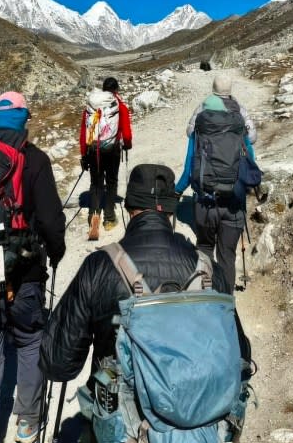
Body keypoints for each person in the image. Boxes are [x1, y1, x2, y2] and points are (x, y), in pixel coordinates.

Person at [40, 163, 250, 442]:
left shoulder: (99, 266)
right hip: (203, 424)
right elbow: (241, 353)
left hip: (126, 424)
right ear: (171, 212)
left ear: (129, 209)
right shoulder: (208, 269)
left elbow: (58, 362)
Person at [0, 92, 66, 443]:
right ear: (24, 119)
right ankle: (28, 423)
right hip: (23, 275)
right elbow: (50, 220)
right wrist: (56, 251)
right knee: (31, 339)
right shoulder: (34, 160)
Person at [175, 73, 257, 292]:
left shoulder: (201, 116)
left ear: (212, 88)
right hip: (234, 201)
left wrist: (177, 190)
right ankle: (227, 302)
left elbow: (190, 161)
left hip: (205, 200)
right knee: (227, 255)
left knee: (204, 249)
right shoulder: (240, 115)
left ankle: (204, 295)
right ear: (230, 89)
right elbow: (250, 155)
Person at [80, 76, 132, 240]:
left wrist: (84, 154)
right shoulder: (119, 106)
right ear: (116, 90)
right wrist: (128, 144)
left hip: (93, 150)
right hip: (112, 150)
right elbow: (126, 132)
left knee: (95, 183)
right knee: (111, 182)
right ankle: (109, 218)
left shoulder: (91, 107)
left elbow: (84, 132)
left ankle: (93, 217)